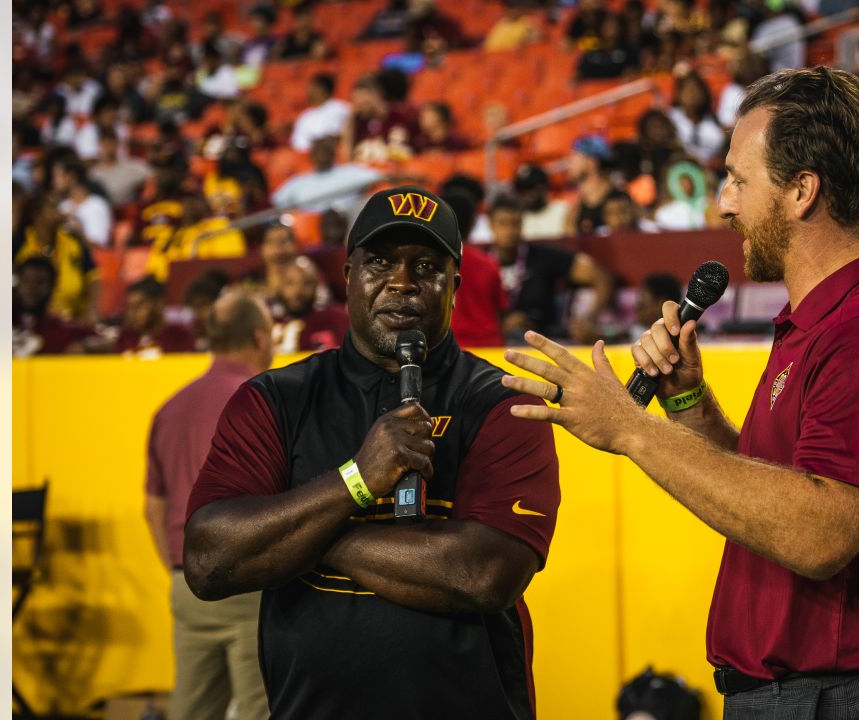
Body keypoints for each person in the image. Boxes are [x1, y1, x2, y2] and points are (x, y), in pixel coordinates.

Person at [502, 67, 859, 719]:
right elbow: (774, 495)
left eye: (739, 180)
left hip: (841, 701)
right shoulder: (827, 321)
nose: (723, 203)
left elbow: (819, 535)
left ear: (802, 191)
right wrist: (688, 402)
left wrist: (632, 428)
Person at [182, 186, 560, 719]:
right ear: (348, 277)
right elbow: (207, 560)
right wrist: (354, 481)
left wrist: (305, 535)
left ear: (454, 286)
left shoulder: (503, 402)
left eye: (425, 266)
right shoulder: (275, 399)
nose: (401, 283)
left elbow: (484, 574)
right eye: (380, 262)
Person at [144, 290, 274, 720]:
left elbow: (152, 506)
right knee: (260, 708)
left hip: (187, 582)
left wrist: (181, 567)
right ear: (259, 337)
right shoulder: (261, 401)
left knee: (192, 708)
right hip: (248, 581)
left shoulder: (170, 408)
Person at [491, 195, 614, 344]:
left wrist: (588, 318)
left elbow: (601, 277)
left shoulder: (543, 256)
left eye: (515, 223)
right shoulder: (481, 264)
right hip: (494, 343)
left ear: (523, 223)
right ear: (491, 225)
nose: (509, 230)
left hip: (545, 341)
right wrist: (500, 325)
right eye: (502, 223)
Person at [13, 191, 101, 323]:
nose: (59, 211)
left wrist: (91, 311)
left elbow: (93, 277)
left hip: (71, 317)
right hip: (29, 317)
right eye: (52, 207)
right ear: (37, 214)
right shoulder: (20, 242)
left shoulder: (73, 241)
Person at [441, 190, 506, 348]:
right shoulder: (489, 263)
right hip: (491, 350)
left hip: (450, 350)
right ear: (472, 222)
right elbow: (500, 311)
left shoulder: (433, 264)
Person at [271, 137, 383, 215]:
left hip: (348, 220)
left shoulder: (351, 171)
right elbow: (276, 203)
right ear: (311, 156)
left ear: (333, 153)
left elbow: (384, 178)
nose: (322, 154)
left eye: (326, 150)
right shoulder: (298, 182)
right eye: (318, 151)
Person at [12, 257, 95, 357]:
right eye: (27, 281)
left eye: (40, 282)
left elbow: (103, 340)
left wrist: (85, 346)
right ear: (18, 283)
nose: (32, 288)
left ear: (53, 286)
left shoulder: (61, 329)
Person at [270, 257, 351, 354]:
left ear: (317, 286)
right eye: (290, 284)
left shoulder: (336, 318)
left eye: (306, 284)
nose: (298, 291)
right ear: (280, 287)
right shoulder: (269, 321)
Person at [116, 276, 197, 355]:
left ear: (159, 303)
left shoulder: (180, 337)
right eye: (129, 307)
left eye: (139, 305)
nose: (132, 313)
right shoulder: (125, 339)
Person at [563, 135, 618, 236]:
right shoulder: (575, 211)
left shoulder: (617, 202)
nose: (569, 163)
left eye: (575, 156)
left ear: (591, 162)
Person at [668, 73, 725, 166]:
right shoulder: (670, 119)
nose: (693, 94)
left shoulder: (715, 121)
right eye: (689, 90)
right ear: (679, 94)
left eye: (697, 89)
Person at [90, 127, 152, 208]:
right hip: (104, 212)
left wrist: (145, 199)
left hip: (128, 212)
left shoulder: (133, 166)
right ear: (99, 145)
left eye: (110, 143)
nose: (108, 146)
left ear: (117, 144)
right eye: (104, 143)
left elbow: (152, 177)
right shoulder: (93, 174)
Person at [290, 73, 351, 153]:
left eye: (313, 86)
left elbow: (338, 135)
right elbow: (296, 143)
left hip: (331, 155)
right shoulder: (304, 115)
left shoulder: (340, 108)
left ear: (322, 88)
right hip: (302, 158)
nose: (308, 90)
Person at [58, 162, 114, 248]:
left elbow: (99, 246)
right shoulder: (62, 206)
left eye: (58, 176)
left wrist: (78, 232)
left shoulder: (97, 205)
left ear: (71, 177)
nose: (54, 181)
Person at [513, 163, 571, 240]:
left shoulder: (562, 211)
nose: (527, 194)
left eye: (531, 188)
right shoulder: (514, 218)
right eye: (521, 189)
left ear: (544, 188)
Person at [183, 268, 232, 352]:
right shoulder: (189, 336)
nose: (198, 313)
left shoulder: (232, 338)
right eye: (194, 307)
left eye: (203, 305)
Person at [631, 272, 681, 341]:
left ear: (662, 304)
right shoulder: (631, 335)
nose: (637, 311)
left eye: (642, 305)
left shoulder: (688, 338)